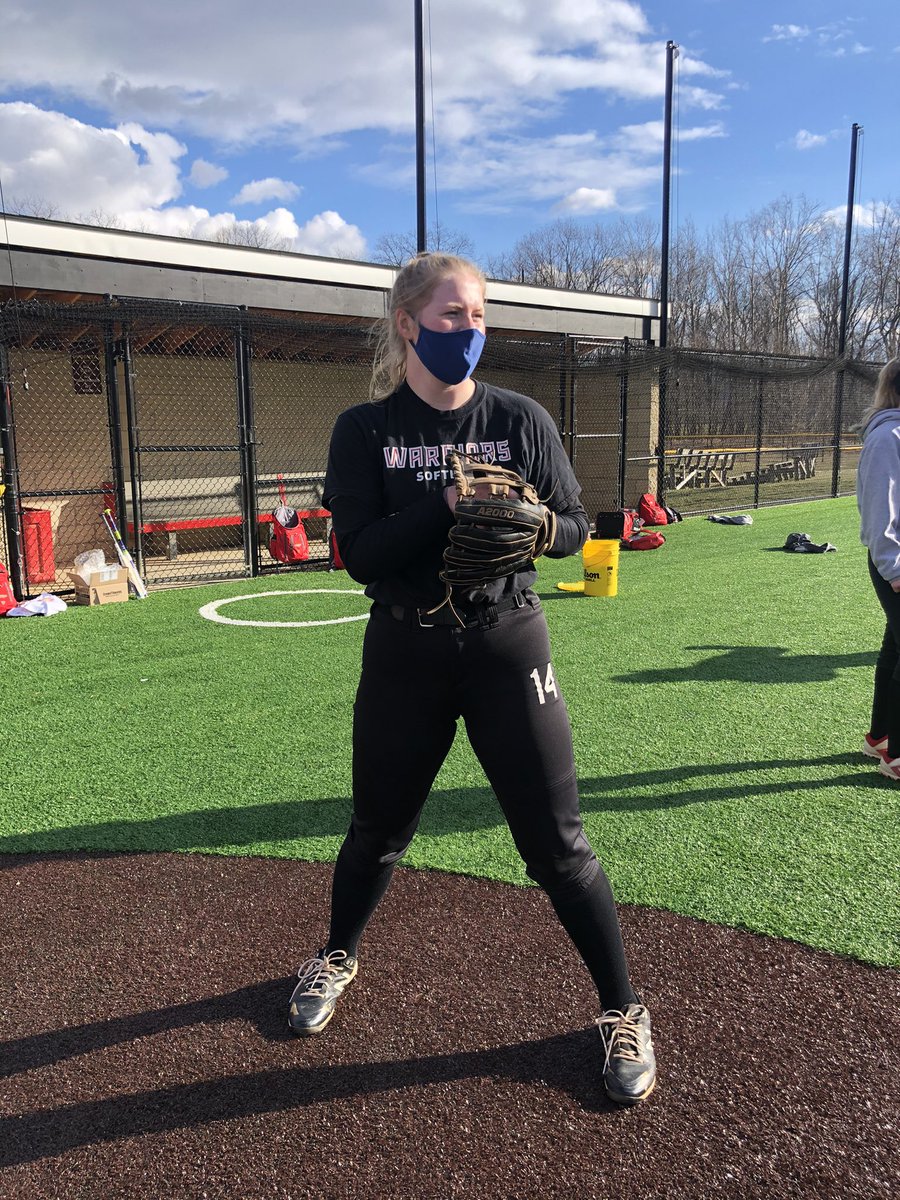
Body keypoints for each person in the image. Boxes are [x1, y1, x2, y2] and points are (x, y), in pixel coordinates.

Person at [287, 253, 657, 1106]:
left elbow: (571, 526)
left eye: (480, 315)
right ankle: (337, 953)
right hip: (404, 650)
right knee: (377, 827)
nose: (471, 331)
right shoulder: (365, 430)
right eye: (453, 316)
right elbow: (360, 554)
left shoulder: (521, 418)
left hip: (506, 647)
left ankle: (624, 1007)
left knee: (558, 848)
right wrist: (445, 509)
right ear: (408, 322)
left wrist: (532, 524)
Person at [856, 356, 900, 780]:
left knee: (894, 648)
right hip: (896, 562)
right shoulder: (889, 436)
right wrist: (894, 567)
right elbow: (877, 512)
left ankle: (881, 739)